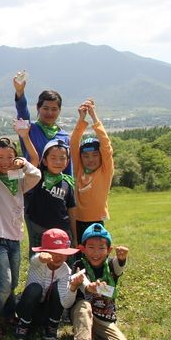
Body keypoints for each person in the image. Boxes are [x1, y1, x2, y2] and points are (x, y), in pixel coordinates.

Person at [0, 137, 41, 335]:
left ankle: (9, 314)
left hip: (14, 238)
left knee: (13, 282)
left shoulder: (17, 177)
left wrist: (23, 162)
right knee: (4, 284)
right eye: (0, 157)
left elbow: (35, 175)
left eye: (9, 157)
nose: (5, 161)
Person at [59, 223, 130, 340]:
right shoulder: (79, 264)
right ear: (82, 248)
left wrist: (122, 258)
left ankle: (93, 332)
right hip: (82, 313)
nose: (96, 252)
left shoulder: (110, 265)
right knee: (84, 305)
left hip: (104, 316)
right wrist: (90, 287)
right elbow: (84, 282)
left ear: (109, 250)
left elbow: (119, 268)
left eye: (101, 248)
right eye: (91, 247)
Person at [15, 228, 79, 340]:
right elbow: (34, 260)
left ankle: (52, 326)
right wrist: (40, 257)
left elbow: (66, 303)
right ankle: (23, 324)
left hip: (47, 313)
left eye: (61, 253)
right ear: (44, 252)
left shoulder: (66, 271)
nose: (58, 257)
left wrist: (73, 288)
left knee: (57, 288)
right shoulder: (38, 263)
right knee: (35, 288)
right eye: (53, 253)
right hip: (28, 308)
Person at [70, 99, 114, 243]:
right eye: (86, 156)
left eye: (95, 155)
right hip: (77, 219)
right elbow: (74, 144)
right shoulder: (79, 169)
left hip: (96, 221)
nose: (90, 159)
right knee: (78, 256)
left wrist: (94, 116)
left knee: (95, 256)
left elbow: (106, 145)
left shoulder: (105, 171)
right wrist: (81, 119)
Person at [26, 139, 77, 253]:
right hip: (39, 232)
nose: (58, 162)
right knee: (39, 264)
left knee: (63, 265)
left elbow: (72, 212)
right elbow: (33, 157)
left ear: (68, 162)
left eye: (62, 158)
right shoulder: (37, 177)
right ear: (44, 161)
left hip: (62, 233)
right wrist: (25, 136)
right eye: (53, 158)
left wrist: (74, 236)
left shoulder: (67, 183)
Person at [13, 74, 71, 173]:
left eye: (54, 109)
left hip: (56, 188)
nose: (49, 113)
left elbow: (68, 169)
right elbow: (22, 112)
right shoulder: (29, 129)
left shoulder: (64, 137)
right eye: (45, 108)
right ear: (38, 108)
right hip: (32, 184)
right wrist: (20, 92)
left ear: (59, 110)